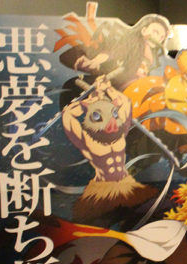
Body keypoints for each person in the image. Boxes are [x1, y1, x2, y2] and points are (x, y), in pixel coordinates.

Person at [61, 75, 157, 226]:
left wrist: (109, 89)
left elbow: (125, 102)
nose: (110, 122)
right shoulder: (88, 142)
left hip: (127, 186)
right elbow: (68, 115)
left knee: (141, 218)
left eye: (113, 114)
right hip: (102, 192)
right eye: (98, 116)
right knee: (95, 226)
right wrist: (89, 102)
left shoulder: (120, 134)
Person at [123, 46, 187, 154]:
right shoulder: (177, 85)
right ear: (186, 75)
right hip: (150, 115)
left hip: (165, 116)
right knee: (158, 136)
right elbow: (179, 112)